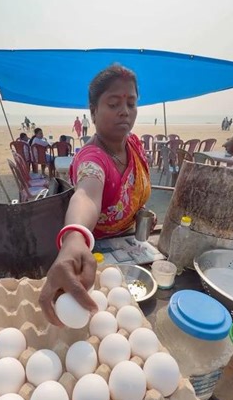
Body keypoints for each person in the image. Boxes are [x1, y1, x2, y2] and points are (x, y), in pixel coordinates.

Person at [39, 64, 154, 325]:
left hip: (133, 250)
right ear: (93, 111)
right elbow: (87, 196)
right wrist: (75, 238)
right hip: (93, 259)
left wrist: (139, 213)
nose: (125, 111)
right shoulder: (92, 159)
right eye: (113, 104)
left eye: (131, 103)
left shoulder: (133, 144)